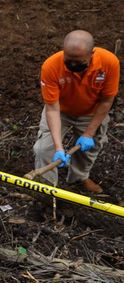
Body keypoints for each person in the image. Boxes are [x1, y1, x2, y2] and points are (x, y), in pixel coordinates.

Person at [33, 30, 120, 193]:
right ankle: (46, 188)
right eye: (69, 61)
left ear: (91, 54)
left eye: (79, 62)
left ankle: (79, 177)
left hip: (91, 112)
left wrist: (88, 133)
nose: (73, 67)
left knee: (89, 149)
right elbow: (52, 108)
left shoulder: (109, 62)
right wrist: (59, 148)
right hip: (60, 111)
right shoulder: (51, 66)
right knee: (43, 149)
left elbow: (107, 101)